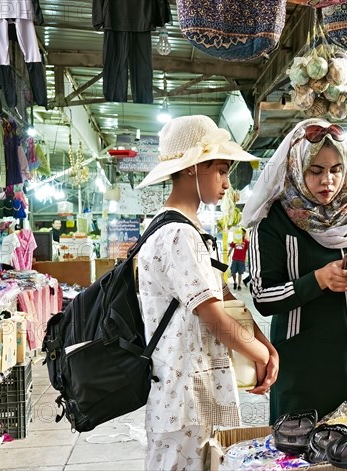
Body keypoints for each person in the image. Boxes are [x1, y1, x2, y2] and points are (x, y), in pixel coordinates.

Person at [135, 115, 278, 471]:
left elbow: (226, 298)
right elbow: (213, 315)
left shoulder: (187, 230)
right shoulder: (178, 235)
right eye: (221, 171)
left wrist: (264, 343)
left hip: (195, 387)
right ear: (192, 170)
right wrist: (262, 355)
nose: (228, 184)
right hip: (183, 394)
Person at [242, 118, 347, 426]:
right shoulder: (276, 222)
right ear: (295, 168)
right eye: (315, 171)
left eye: (335, 170)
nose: (327, 181)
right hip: (306, 365)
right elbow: (263, 295)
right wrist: (318, 279)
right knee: (308, 453)